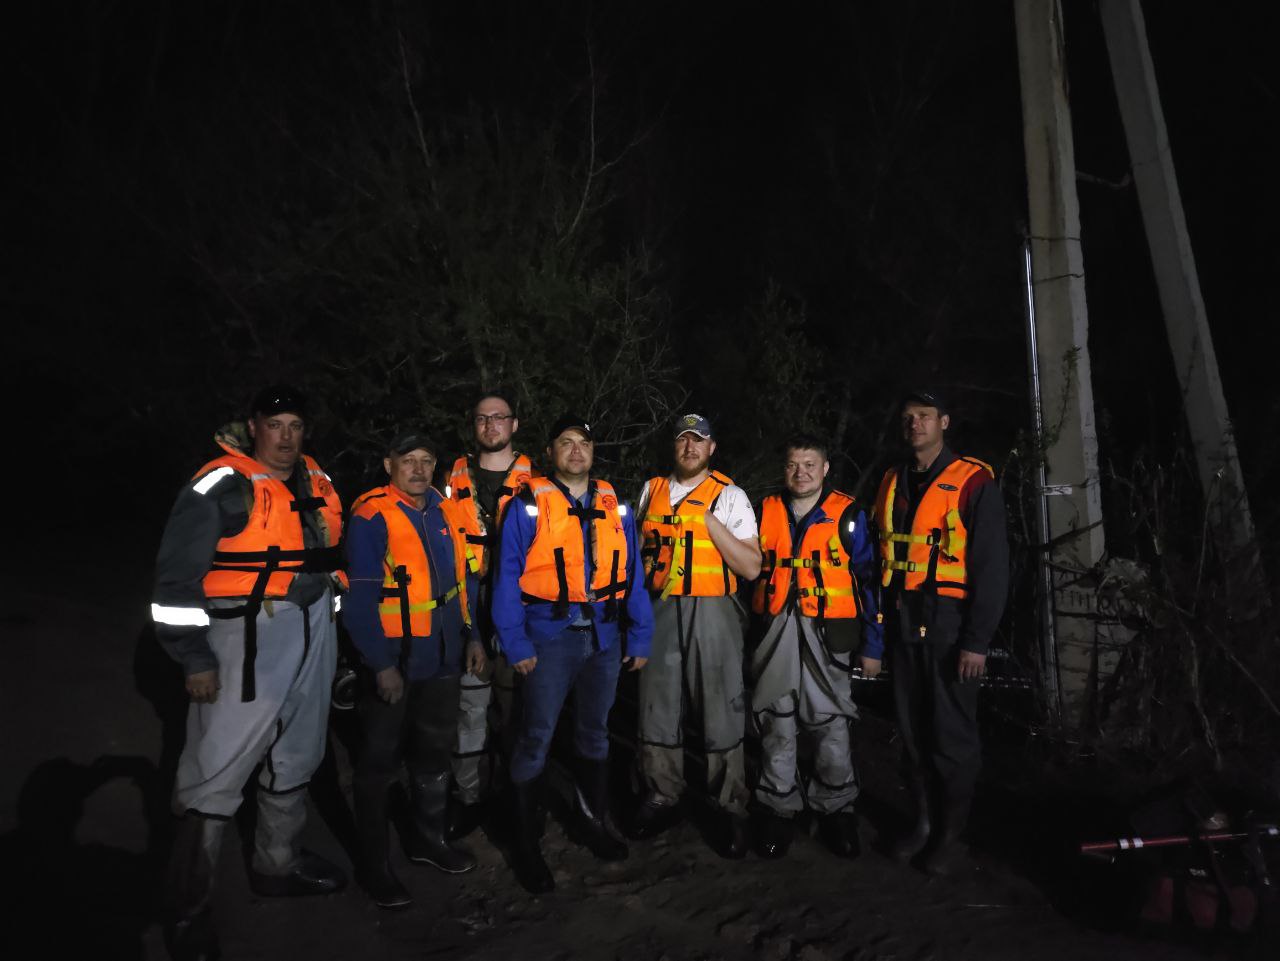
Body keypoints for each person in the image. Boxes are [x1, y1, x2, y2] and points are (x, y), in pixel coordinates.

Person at [151, 385, 346, 961]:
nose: (286, 436)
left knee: (299, 753)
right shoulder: (221, 484)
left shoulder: (313, 478)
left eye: (295, 425)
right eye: (275, 424)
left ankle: (276, 863)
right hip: (245, 634)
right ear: (254, 426)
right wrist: (196, 658)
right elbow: (173, 585)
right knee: (215, 768)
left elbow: (325, 551)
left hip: (311, 627)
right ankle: (187, 910)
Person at [491, 414, 654, 893]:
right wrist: (515, 641)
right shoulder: (527, 506)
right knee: (535, 736)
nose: (577, 451)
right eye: (566, 443)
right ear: (551, 452)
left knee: (595, 735)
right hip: (549, 636)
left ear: (593, 450)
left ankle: (591, 822)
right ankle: (525, 843)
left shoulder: (615, 504)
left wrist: (640, 635)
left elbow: (634, 577)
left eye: (584, 442)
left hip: (604, 637)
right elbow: (505, 577)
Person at [344, 432, 485, 909]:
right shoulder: (370, 515)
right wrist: (381, 665)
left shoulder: (444, 511)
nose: (420, 469)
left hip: (442, 656)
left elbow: (464, 580)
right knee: (377, 763)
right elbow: (358, 601)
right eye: (409, 460)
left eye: (427, 460)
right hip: (396, 659)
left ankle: (428, 841)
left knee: (433, 755)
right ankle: (374, 864)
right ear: (389, 464)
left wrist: (474, 636)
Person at [872, 388, 1009, 874]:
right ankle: (923, 826)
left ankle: (952, 839)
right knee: (912, 735)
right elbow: (878, 559)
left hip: (951, 627)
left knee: (952, 737)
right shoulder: (892, 479)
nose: (915, 424)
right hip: (904, 622)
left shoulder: (972, 482)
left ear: (945, 422)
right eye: (908, 417)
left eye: (925, 416)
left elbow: (991, 569)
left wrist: (977, 640)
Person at [631, 413, 760, 857]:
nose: (690, 448)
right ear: (675, 446)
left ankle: (729, 805)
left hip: (714, 610)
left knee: (720, 706)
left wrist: (709, 523)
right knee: (656, 704)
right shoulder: (652, 490)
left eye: (699, 441)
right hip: (660, 608)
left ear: (711, 448)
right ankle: (662, 793)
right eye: (684, 440)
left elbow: (751, 567)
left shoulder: (730, 496)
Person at [749, 434, 883, 859]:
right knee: (777, 716)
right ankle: (777, 805)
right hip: (776, 627)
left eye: (810, 464)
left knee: (830, 720)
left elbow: (869, 580)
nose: (801, 472)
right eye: (793, 464)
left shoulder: (848, 514)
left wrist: (874, 644)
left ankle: (836, 806)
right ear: (783, 468)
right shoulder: (763, 510)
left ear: (825, 469)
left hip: (829, 630)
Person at [445, 393, 534, 839]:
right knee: (470, 707)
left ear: (514, 424)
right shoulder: (453, 475)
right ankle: (468, 797)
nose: (490, 425)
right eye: (481, 418)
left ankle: (513, 796)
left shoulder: (538, 479)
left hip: (521, 602)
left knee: (518, 708)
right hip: (469, 598)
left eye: (499, 417)